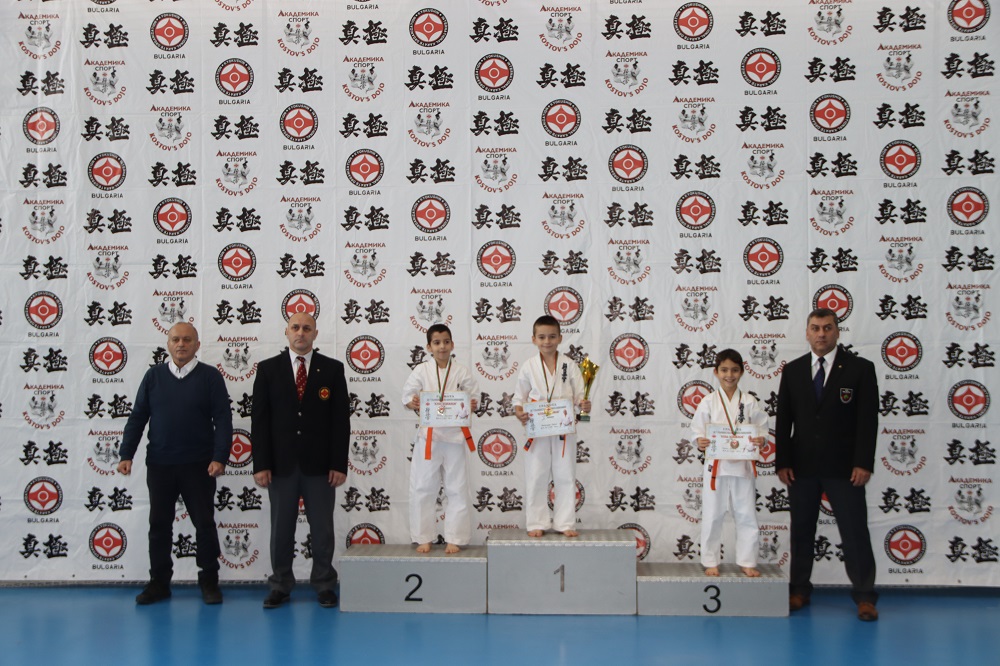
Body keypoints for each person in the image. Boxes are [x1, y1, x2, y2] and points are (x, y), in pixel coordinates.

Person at [775, 308, 880, 621]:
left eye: (827, 328)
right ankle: (798, 590)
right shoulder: (793, 370)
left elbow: (868, 421)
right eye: (816, 328)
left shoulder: (860, 369)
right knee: (801, 531)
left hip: (845, 468)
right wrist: (783, 461)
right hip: (802, 467)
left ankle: (865, 596)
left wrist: (863, 462)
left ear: (837, 331)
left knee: (854, 532)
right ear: (807, 332)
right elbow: (783, 420)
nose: (821, 334)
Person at [119, 323, 231, 605]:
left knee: (204, 524)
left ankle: (209, 581)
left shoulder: (210, 377)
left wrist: (220, 457)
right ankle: (159, 583)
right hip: (161, 464)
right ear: (168, 344)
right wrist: (126, 453)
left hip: (199, 465)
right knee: (159, 525)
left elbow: (223, 419)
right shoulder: (153, 376)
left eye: (187, 339)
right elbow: (138, 416)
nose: (181, 344)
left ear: (197, 344)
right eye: (176, 339)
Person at [252, 313, 350, 608]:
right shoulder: (268, 369)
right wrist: (261, 464)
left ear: (315, 333)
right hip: (280, 466)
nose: (301, 333)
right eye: (295, 327)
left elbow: (340, 422)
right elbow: (260, 421)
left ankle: (324, 583)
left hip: (320, 466)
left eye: (307, 328)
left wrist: (338, 464)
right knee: (281, 529)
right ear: (286, 332)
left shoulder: (332, 369)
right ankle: (280, 584)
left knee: (322, 529)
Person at [402, 324, 479, 554]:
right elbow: (407, 395)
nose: (442, 347)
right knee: (423, 487)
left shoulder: (462, 371)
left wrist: (472, 403)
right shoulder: (421, 370)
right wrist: (413, 402)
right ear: (429, 347)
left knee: (457, 487)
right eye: (436, 343)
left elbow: (474, 395)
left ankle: (455, 537)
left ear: (452, 344)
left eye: (446, 342)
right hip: (430, 437)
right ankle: (423, 536)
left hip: (455, 437)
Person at [691, 349, 767, 577]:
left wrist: (761, 439)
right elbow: (697, 430)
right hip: (716, 466)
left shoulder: (749, 401)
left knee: (746, 513)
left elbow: (762, 427)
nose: (729, 375)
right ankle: (710, 560)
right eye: (724, 370)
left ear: (741, 372)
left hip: (743, 466)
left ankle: (747, 560)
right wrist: (700, 440)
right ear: (716, 372)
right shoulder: (708, 401)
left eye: (734, 370)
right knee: (713, 513)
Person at [513, 315, 591, 537]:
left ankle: (565, 523)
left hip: (563, 427)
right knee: (536, 474)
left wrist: (584, 405)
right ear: (534, 339)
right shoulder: (529, 366)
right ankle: (536, 522)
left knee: (565, 473)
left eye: (552, 336)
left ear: (560, 338)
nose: (547, 341)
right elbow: (519, 398)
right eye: (542, 337)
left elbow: (579, 396)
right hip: (537, 427)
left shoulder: (569, 364)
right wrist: (519, 412)